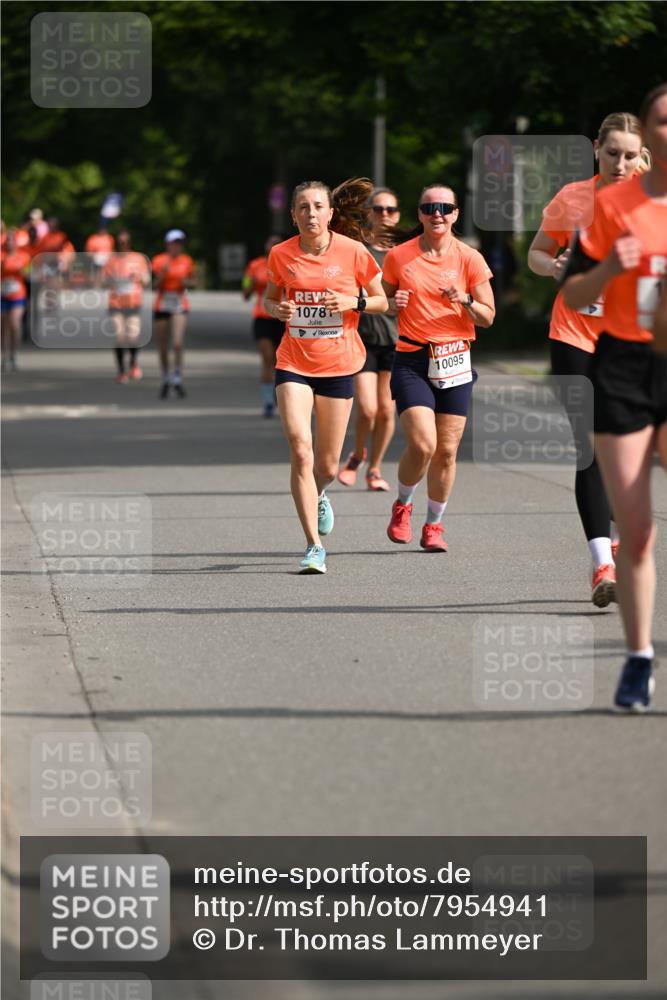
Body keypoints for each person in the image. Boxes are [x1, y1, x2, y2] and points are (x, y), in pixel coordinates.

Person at [563, 82, 667, 712]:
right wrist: (609, 268)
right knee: (638, 529)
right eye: (662, 119)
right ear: (649, 131)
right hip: (624, 365)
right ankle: (639, 656)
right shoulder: (608, 205)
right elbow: (574, 292)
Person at [528, 112, 648, 608]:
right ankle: (602, 564)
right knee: (591, 447)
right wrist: (553, 265)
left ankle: (614, 535)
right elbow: (537, 252)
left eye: (629, 155)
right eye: (611, 152)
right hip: (573, 334)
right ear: (596, 148)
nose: (619, 163)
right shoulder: (573, 198)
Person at [264, 178, 388, 574]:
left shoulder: (353, 252)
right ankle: (313, 546)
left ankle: (319, 493)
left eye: (318, 206)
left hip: (339, 365)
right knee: (301, 449)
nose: (311, 213)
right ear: (293, 215)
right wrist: (277, 310)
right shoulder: (281, 254)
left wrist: (353, 301)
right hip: (293, 363)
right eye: (303, 207)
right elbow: (269, 298)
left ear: (331, 213)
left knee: (328, 466)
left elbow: (382, 301)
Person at [381, 184, 495, 551]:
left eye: (445, 207)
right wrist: (391, 303)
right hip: (413, 359)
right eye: (430, 208)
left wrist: (466, 300)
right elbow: (380, 301)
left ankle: (433, 525)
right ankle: (403, 505)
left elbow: (488, 316)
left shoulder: (470, 258)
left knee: (446, 451)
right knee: (422, 443)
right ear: (420, 213)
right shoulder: (399, 256)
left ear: (456, 213)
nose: (437, 214)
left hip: (455, 360)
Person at [338, 187, 400, 491]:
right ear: (369, 214)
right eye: (378, 209)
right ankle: (357, 454)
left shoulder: (405, 253)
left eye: (390, 210)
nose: (384, 214)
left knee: (386, 410)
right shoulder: (358, 250)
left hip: (397, 339)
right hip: (362, 338)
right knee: (367, 408)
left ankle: (374, 469)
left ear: (398, 215)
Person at [242, 235, 284, 417]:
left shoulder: (289, 263)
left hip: (283, 318)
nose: (273, 246)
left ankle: (279, 393)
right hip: (262, 317)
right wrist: (250, 284)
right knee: (267, 358)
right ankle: (268, 402)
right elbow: (245, 292)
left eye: (277, 243)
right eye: (271, 243)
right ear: (266, 246)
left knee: (280, 361)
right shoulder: (255, 265)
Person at [151, 229, 195, 398]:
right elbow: (153, 286)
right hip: (162, 303)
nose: (177, 247)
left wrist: (187, 283)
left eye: (179, 244)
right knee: (163, 345)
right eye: (173, 243)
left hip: (179, 303)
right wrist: (163, 275)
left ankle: (177, 377)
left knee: (177, 343)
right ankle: (165, 377)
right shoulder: (159, 260)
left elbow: (193, 282)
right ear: (167, 244)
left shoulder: (186, 261)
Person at [103, 230, 150, 382]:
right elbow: (103, 281)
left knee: (133, 336)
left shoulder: (138, 258)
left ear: (129, 243)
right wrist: (112, 279)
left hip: (133, 302)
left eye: (125, 242)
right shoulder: (112, 259)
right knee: (119, 336)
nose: (122, 245)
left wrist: (138, 276)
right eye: (120, 242)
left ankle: (133, 362)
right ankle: (121, 370)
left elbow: (147, 280)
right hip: (116, 302)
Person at [1, 228, 31, 371]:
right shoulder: (1, 256)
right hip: (2, 294)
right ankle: (4, 355)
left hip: (18, 294)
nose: (9, 243)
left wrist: (23, 271)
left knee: (14, 323)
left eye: (12, 241)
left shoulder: (24, 256)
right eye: (7, 241)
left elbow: (29, 275)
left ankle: (13, 354)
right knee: (2, 326)